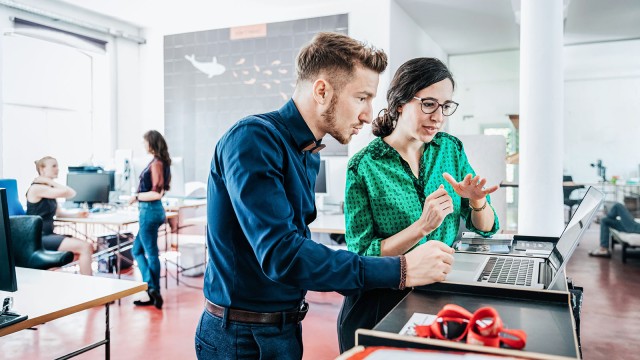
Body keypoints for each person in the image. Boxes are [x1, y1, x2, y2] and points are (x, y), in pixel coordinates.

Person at [195, 32, 456, 360]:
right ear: (322, 90)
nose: (368, 114)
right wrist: (400, 270)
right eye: (362, 98)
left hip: (283, 328)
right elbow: (283, 254)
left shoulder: (308, 153)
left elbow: (299, 247)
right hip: (241, 338)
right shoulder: (253, 140)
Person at [337, 57, 500, 351]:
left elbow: (486, 228)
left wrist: (477, 202)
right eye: (428, 104)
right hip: (380, 304)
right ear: (400, 102)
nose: (438, 116)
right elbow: (362, 254)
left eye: (446, 106)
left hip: (439, 295)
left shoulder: (450, 149)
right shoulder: (364, 166)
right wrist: (422, 227)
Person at [26, 156, 94, 276]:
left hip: (47, 235)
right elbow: (71, 193)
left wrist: (77, 215)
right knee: (85, 247)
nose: (57, 169)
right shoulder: (37, 188)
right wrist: (49, 181)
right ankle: (89, 287)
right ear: (42, 170)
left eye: (57, 165)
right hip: (37, 237)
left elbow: (59, 213)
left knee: (81, 250)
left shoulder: (47, 189)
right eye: (53, 166)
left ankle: (83, 284)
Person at [129, 130, 171, 309]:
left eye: (144, 142)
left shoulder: (157, 163)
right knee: (137, 250)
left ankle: (152, 289)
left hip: (149, 211)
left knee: (151, 253)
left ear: (151, 143)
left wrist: (136, 196)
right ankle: (151, 288)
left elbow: (156, 193)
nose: (143, 145)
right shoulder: (161, 163)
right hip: (153, 212)